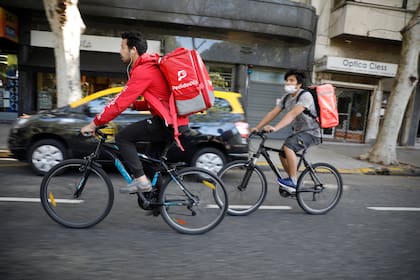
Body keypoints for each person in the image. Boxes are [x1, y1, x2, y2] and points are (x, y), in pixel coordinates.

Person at [81, 31, 188, 193]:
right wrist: (135, 106)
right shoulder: (149, 67)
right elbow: (158, 100)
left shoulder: (144, 70)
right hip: (174, 122)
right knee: (150, 163)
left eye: (122, 47)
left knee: (123, 137)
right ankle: (156, 203)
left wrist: (94, 124)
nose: (120, 51)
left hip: (167, 123)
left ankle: (142, 182)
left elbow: (119, 103)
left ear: (133, 51)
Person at [252, 70, 321, 194]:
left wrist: (275, 128)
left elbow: (292, 114)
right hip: (299, 132)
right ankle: (293, 182)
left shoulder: (305, 96)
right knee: (282, 153)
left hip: (311, 132)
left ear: (299, 84)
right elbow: (273, 113)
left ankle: (293, 181)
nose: (287, 83)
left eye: (291, 80)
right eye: (286, 80)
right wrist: (257, 127)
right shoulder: (286, 97)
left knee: (289, 146)